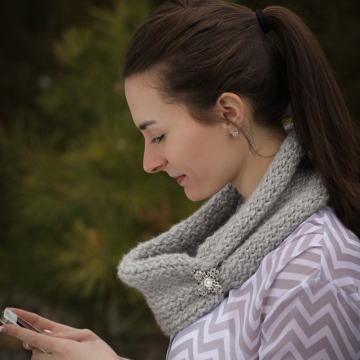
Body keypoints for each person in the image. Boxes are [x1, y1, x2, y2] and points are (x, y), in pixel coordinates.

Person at [1, 0, 360, 358]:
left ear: (229, 114)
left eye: (157, 136)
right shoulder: (232, 245)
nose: (149, 163)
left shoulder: (312, 273)